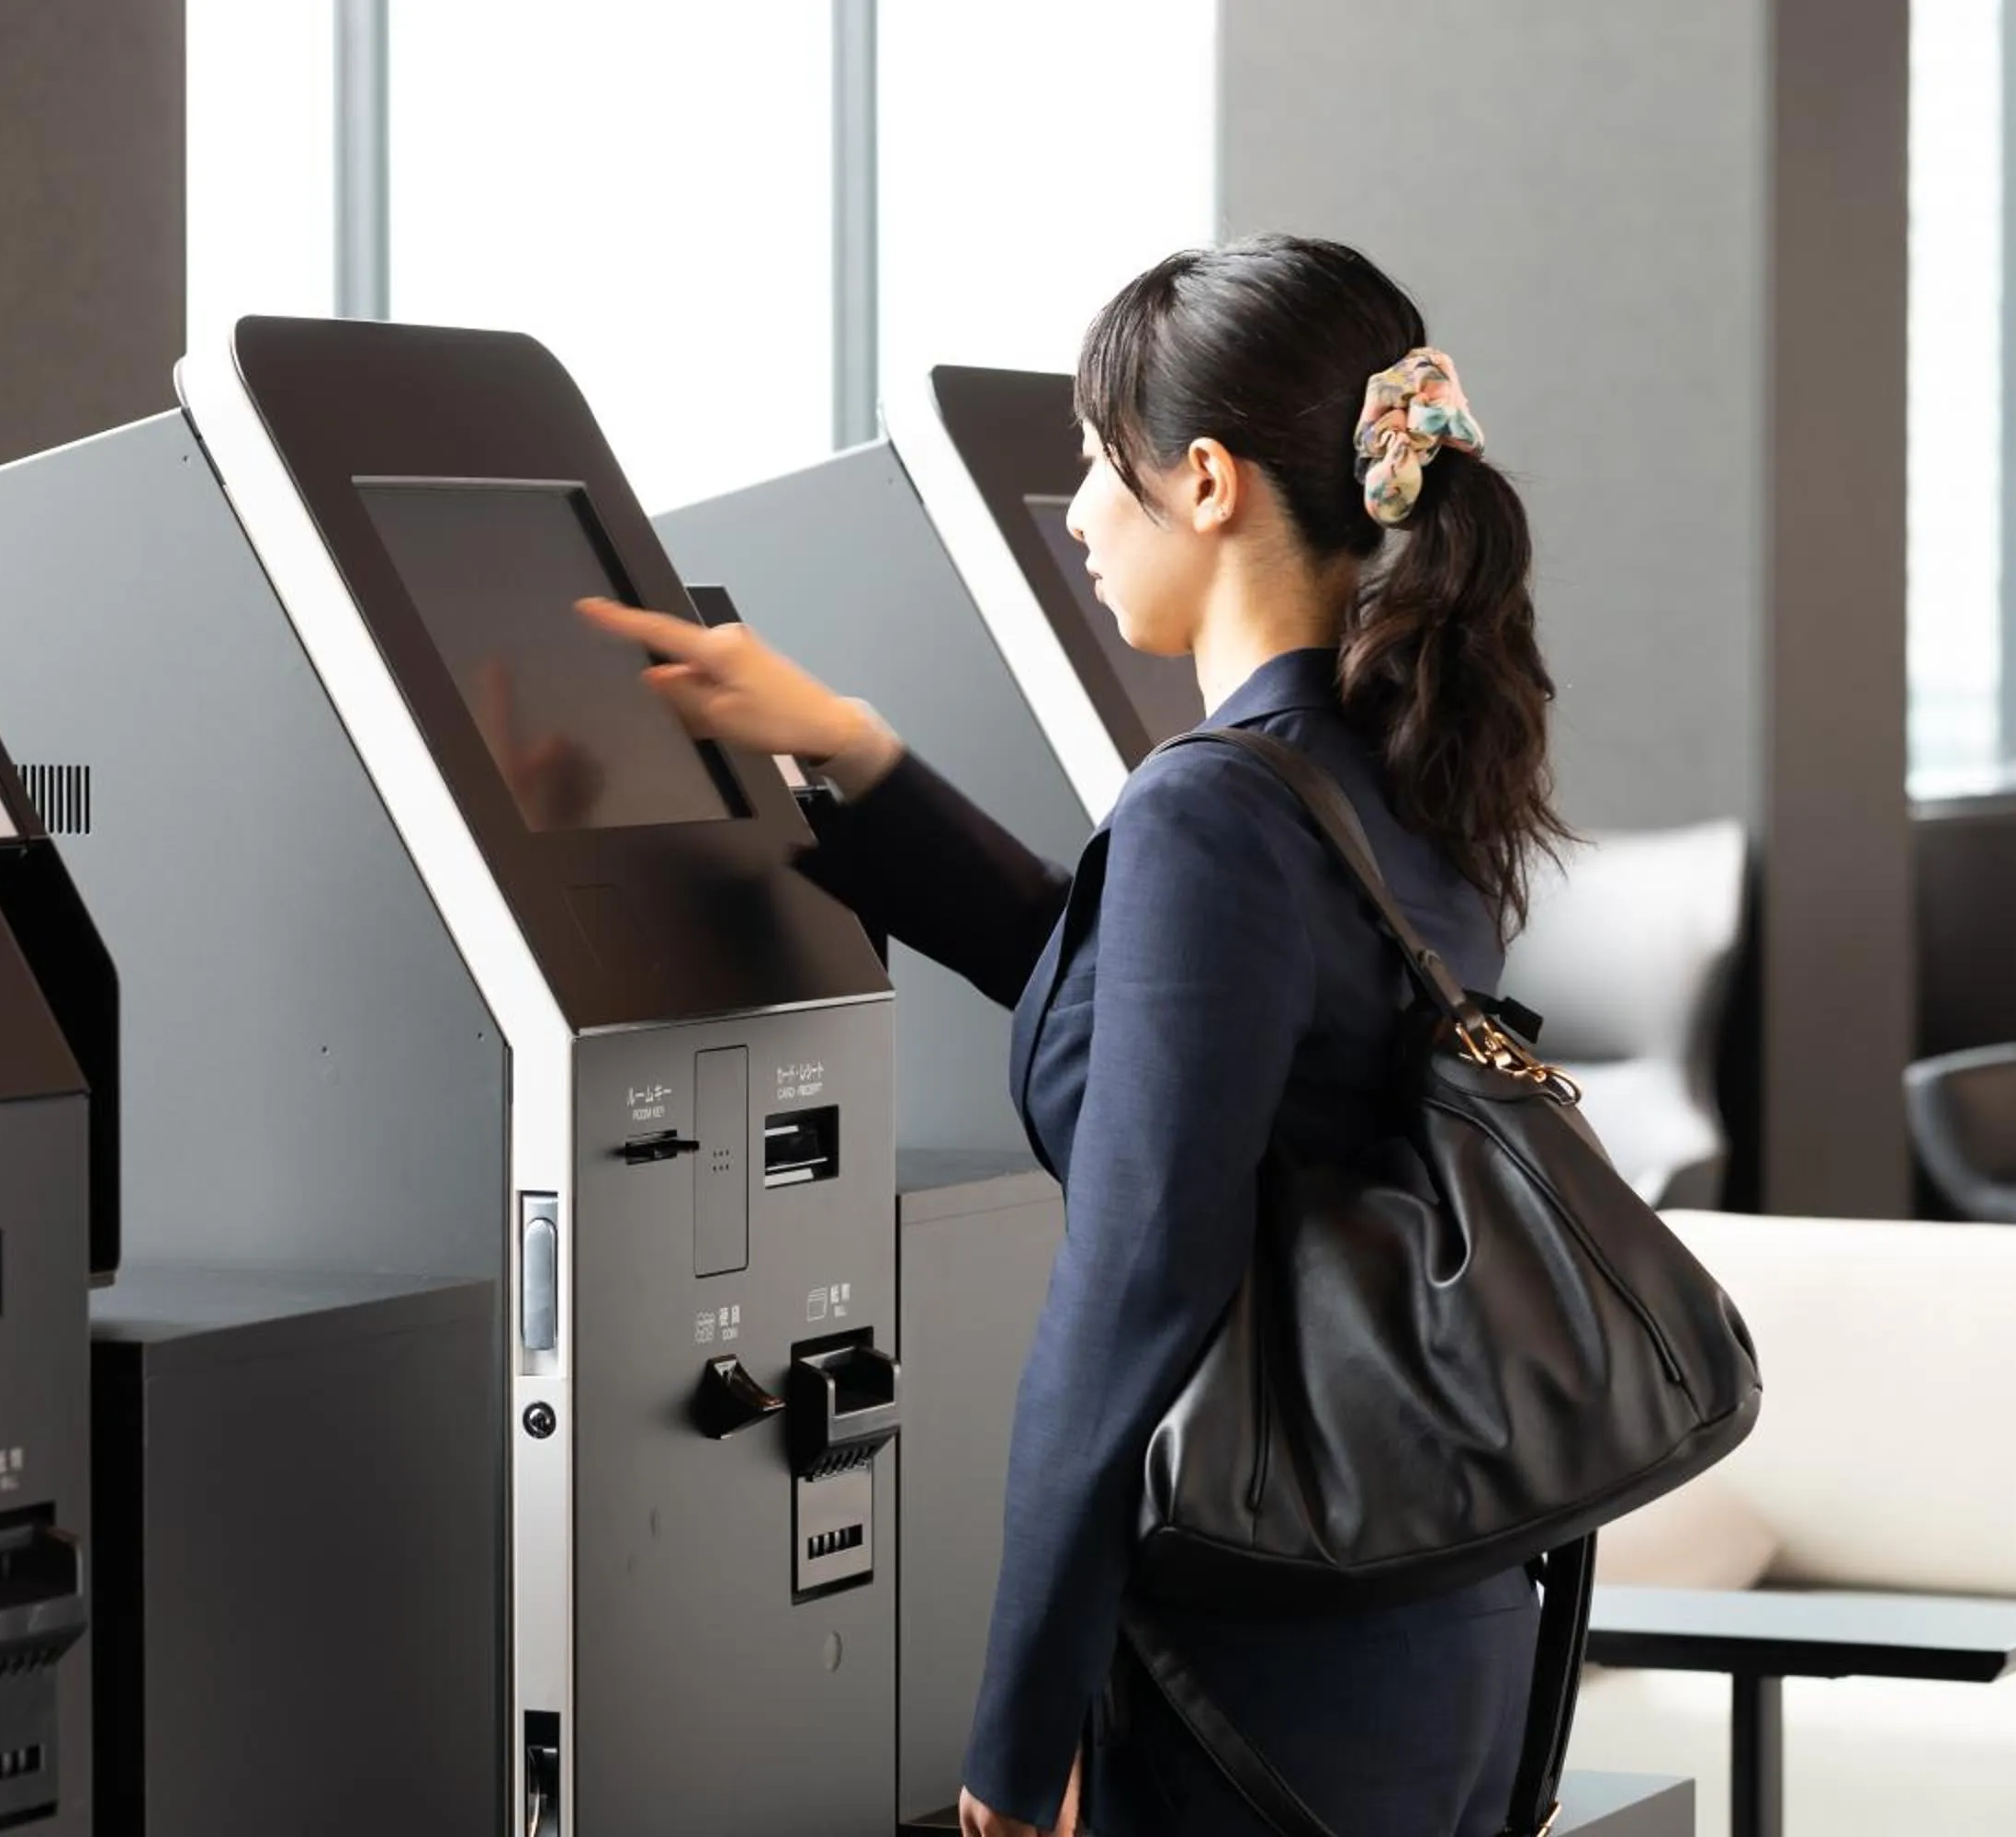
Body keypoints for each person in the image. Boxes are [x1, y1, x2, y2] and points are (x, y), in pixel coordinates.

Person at [586, 234, 1573, 1837]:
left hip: (1261, 1661)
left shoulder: (1218, 803)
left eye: (1100, 467)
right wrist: (848, 748)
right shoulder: (1405, 765)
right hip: (1438, 1621)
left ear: (1204, 482)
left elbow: (1133, 1288)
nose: (1086, 519)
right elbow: (1144, 995)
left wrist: (1016, 1727)